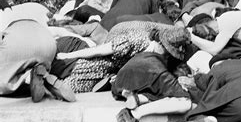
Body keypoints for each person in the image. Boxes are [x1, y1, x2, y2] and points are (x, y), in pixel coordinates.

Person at [55, 22, 189, 93]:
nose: (167, 54)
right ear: (160, 43)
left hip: (111, 74)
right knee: (70, 83)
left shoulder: (159, 56)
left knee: (77, 88)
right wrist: (68, 56)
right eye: (167, 50)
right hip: (99, 63)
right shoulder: (135, 40)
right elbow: (98, 51)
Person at [0, 0, 75, 102]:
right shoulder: (33, 9)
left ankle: (30, 81)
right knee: (20, 65)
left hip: (18, 42)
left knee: (5, 82)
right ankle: (42, 77)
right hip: (48, 42)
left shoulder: (5, 15)